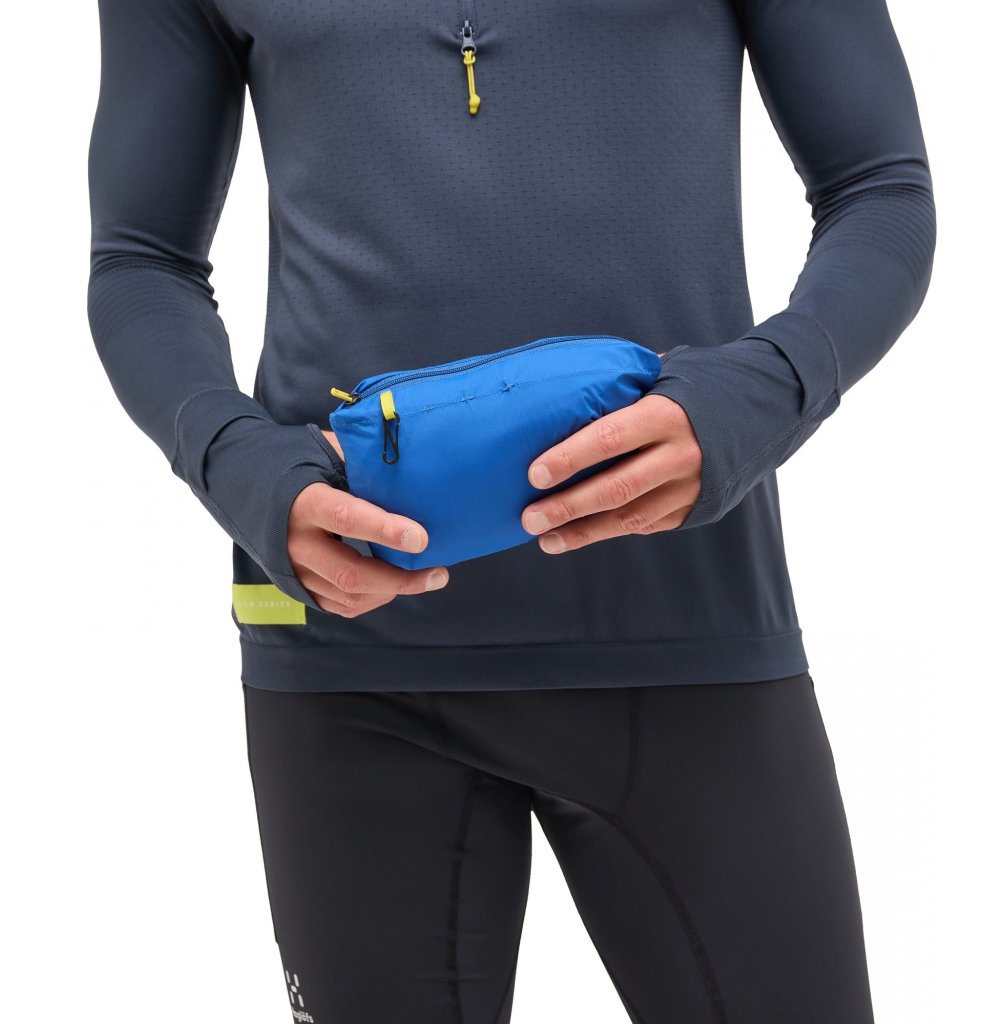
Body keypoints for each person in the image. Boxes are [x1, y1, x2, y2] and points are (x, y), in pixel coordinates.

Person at [86, 0, 935, 1020]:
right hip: (346, 657)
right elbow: (140, 258)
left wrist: (757, 394)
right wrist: (239, 462)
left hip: (684, 621)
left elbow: (879, 189)